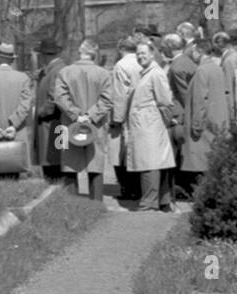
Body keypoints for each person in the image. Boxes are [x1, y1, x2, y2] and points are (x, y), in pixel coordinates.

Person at [53, 39, 111, 200]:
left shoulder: (65, 72)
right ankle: (97, 204)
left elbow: (59, 98)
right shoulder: (104, 74)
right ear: (94, 54)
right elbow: (107, 100)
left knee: (69, 164)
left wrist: (76, 114)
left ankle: (72, 203)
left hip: (68, 124)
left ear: (80, 52)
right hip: (96, 124)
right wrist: (90, 116)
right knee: (96, 164)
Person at [126, 40, 179, 212]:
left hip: (151, 125)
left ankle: (150, 202)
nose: (140, 56)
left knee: (150, 163)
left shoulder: (155, 74)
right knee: (153, 162)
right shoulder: (146, 73)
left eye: (143, 53)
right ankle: (161, 201)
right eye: (138, 53)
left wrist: (166, 122)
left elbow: (165, 102)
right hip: (146, 125)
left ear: (152, 54)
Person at [182, 35, 228, 199]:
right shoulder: (216, 68)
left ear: (197, 51)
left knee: (201, 163)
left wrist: (196, 125)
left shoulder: (202, 70)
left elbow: (200, 100)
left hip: (205, 124)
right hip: (216, 120)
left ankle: (203, 196)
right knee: (210, 162)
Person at [0, 42, 34, 175]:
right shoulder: (23, 78)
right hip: (16, 131)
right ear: (13, 60)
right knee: (16, 170)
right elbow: (25, 105)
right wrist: (13, 125)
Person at [106, 35, 143, 201]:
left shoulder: (121, 66)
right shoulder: (143, 62)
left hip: (126, 115)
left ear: (121, 49)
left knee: (120, 154)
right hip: (142, 112)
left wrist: (117, 119)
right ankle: (140, 187)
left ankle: (128, 189)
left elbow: (120, 95)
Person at [34, 37, 67, 180]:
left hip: (55, 124)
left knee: (57, 166)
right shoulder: (49, 70)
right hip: (50, 126)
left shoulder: (58, 70)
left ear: (44, 55)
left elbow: (55, 98)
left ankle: (61, 196)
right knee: (51, 165)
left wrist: (40, 112)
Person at [214, 30, 237, 115]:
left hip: (234, 107)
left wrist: (230, 112)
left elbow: (228, 88)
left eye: (214, 44)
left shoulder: (229, 61)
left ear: (219, 43)